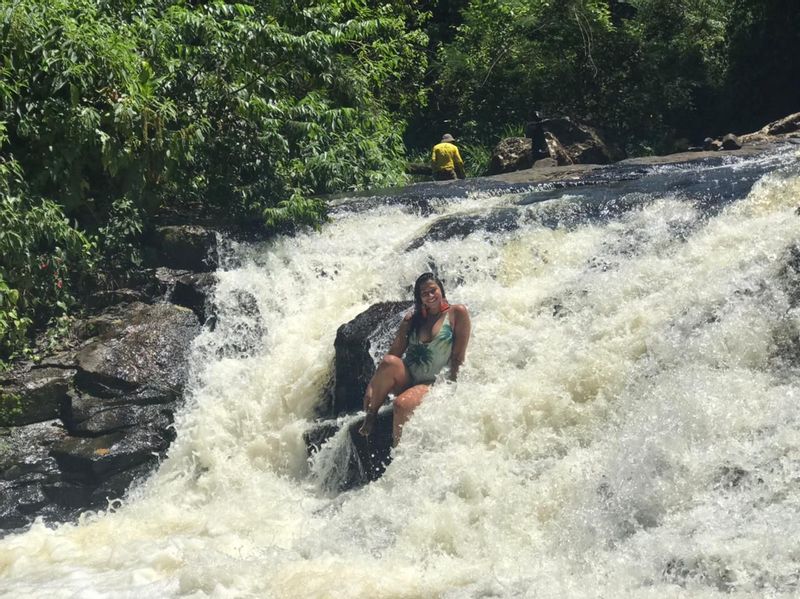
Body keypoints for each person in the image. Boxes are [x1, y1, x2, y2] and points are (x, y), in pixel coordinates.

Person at [358, 273, 471, 445]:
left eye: (433, 290)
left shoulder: (457, 313)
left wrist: (453, 389)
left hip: (432, 383)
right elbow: (394, 352)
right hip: (408, 378)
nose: (430, 296)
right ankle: (372, 414)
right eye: (424, 293)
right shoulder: (413, 319)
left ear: (441, 289)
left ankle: (397, 452)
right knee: (389, 361)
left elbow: (457, 356)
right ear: (419, 298)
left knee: (401, 404)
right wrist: (372, 386)